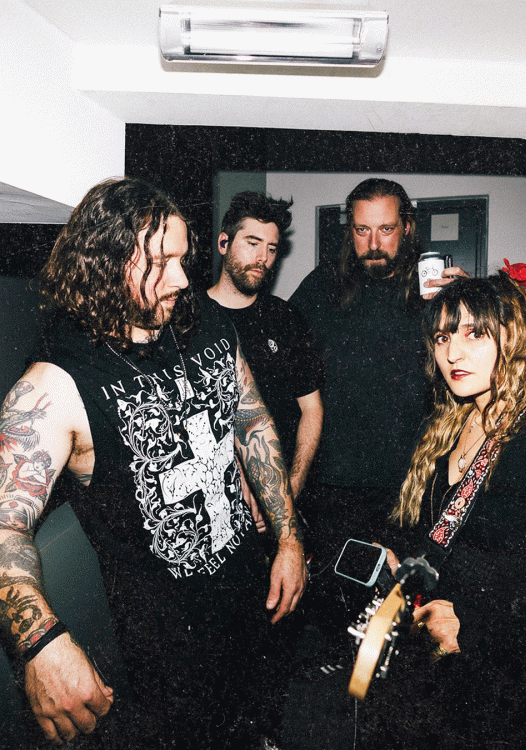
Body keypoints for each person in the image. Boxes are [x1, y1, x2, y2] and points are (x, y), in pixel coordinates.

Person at [0, 177, 305, 749]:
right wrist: (41, 643)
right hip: (165, 650)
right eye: (160, 262)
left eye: (182, 259)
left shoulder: (206, 320)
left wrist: (288, 538)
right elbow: (3, 524)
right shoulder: (55, 385)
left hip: (249, 590)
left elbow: (252, 421)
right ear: (105, 262)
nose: (182, 279)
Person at [363, 266, 526, 749]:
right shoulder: (442, 428)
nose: (453, 353)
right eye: (442, 337)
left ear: (513, 338)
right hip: (436, 672)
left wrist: (474, 628)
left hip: (517, 686)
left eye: (475, 333)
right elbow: (445, 535)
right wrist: (398, 559)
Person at [288, 178, 466, 670]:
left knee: (405, 602)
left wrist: (467, 298)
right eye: (362, 230)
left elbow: (479, 350)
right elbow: (280, 353)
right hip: (336, 478)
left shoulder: (433, 288)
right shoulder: (322, 285)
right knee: (341, 596)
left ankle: (396, 680)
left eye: (386, 229)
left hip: (411, 478)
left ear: (407, 227)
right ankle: (342, 677)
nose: (373, 243)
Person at [207, 191, 323, 533]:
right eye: (253, 243)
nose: (263, 258)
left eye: (272, 249)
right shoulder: (191, 320)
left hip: (283, 503)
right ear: (224, 243)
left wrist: (289, 491)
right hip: (216, 505)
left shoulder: (285, 318)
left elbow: (312, 410)